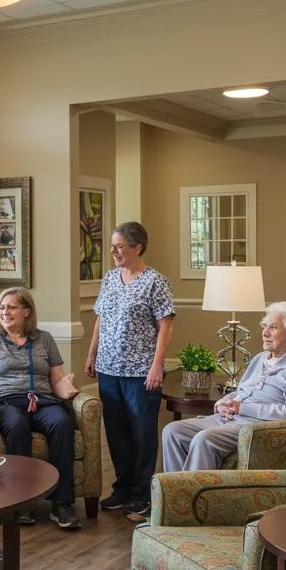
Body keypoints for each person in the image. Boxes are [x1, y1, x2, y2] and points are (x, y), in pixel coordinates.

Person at [0, 287, 81, 530]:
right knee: (17, 426)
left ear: (27, 311)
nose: (4, 312)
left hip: (42, 400)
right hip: (7, 401)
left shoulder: (44, 339)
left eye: (11, 307)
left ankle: (61, 503)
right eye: (1, 308)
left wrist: (67, 389)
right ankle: (20, 502)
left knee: (62, 423)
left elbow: (57, 378)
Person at [162, 302, 286, 473]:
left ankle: (193, 497)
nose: (265, 333)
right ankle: (176, 492)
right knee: (173, 431)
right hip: (230, 419)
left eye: (273, 327)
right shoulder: (260, 358)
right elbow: (241, 390)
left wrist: (243, 408)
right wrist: (222, 403)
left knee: (204, 439)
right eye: (265, 326)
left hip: (256, 426)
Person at [86, 222, 175, 523]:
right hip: (108, 368)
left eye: (119, 246)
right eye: (112, 246)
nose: (113, 251)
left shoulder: (155, 281)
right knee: (117, 432)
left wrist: (156, 365)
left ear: (137, 248)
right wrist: (92, 354)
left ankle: (141, 495)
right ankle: (122, 488)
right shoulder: (110, 279)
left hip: (141, 371)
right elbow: (101, 318)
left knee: (142, 432)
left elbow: (166, 326)